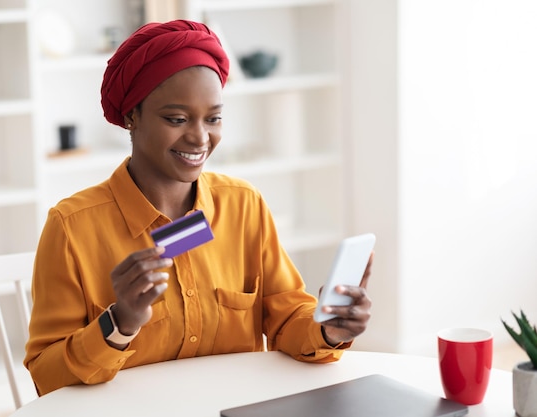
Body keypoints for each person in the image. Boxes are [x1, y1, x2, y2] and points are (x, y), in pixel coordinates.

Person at [24, 19, 373, 396]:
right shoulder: (71, 227)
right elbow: (46, 377)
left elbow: (287, 318)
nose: (200, 137)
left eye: (214, 118)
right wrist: (120, 322)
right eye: (176, 119)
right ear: (131, 117)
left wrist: (328, 329)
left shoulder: (243, 205)